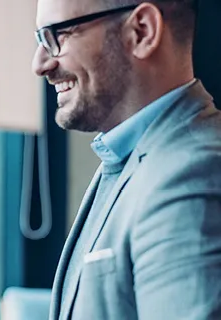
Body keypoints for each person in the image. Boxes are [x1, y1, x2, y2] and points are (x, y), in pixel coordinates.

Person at [32, 0, 221, 319]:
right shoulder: (129, 154)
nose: (40, 64)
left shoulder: (192, 176)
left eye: (58, 35)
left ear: (142, 31)